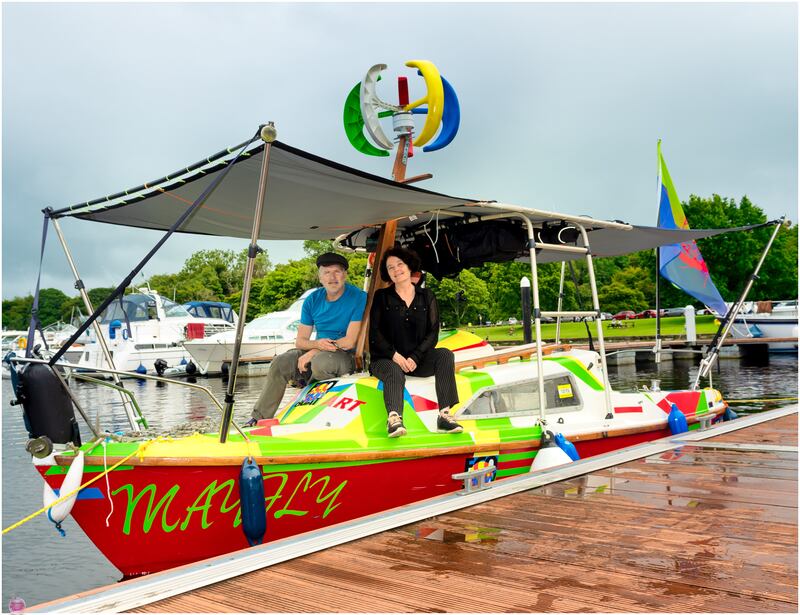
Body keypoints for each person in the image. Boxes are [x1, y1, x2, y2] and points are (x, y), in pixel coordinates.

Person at [248, 252, 367, 423]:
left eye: (337, 271)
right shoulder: (312, 300)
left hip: (345, 355)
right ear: (320, 278)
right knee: (280, 362)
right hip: (319, 351)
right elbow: (300, 341)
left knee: (321, 362)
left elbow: (349, 341)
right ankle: (259, 418)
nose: (332, 277)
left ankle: (311, 412)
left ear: (345, 275)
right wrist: (316, 346)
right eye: (327, 272)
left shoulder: (358, 297)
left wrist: (315, 350)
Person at [368, 247, 462, 438]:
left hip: (416, 360)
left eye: (400, 264)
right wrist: (395, 356)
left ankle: (445, 415)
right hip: (386, 359)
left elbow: (433, 333)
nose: (396, 269)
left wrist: (415, 357)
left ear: (409, 266)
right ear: (387, 273)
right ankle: (394, 419)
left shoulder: (427, 296)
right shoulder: (381, 296)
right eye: (390, 267)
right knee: (394, 371)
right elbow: (375, 334)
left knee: (445, 354)